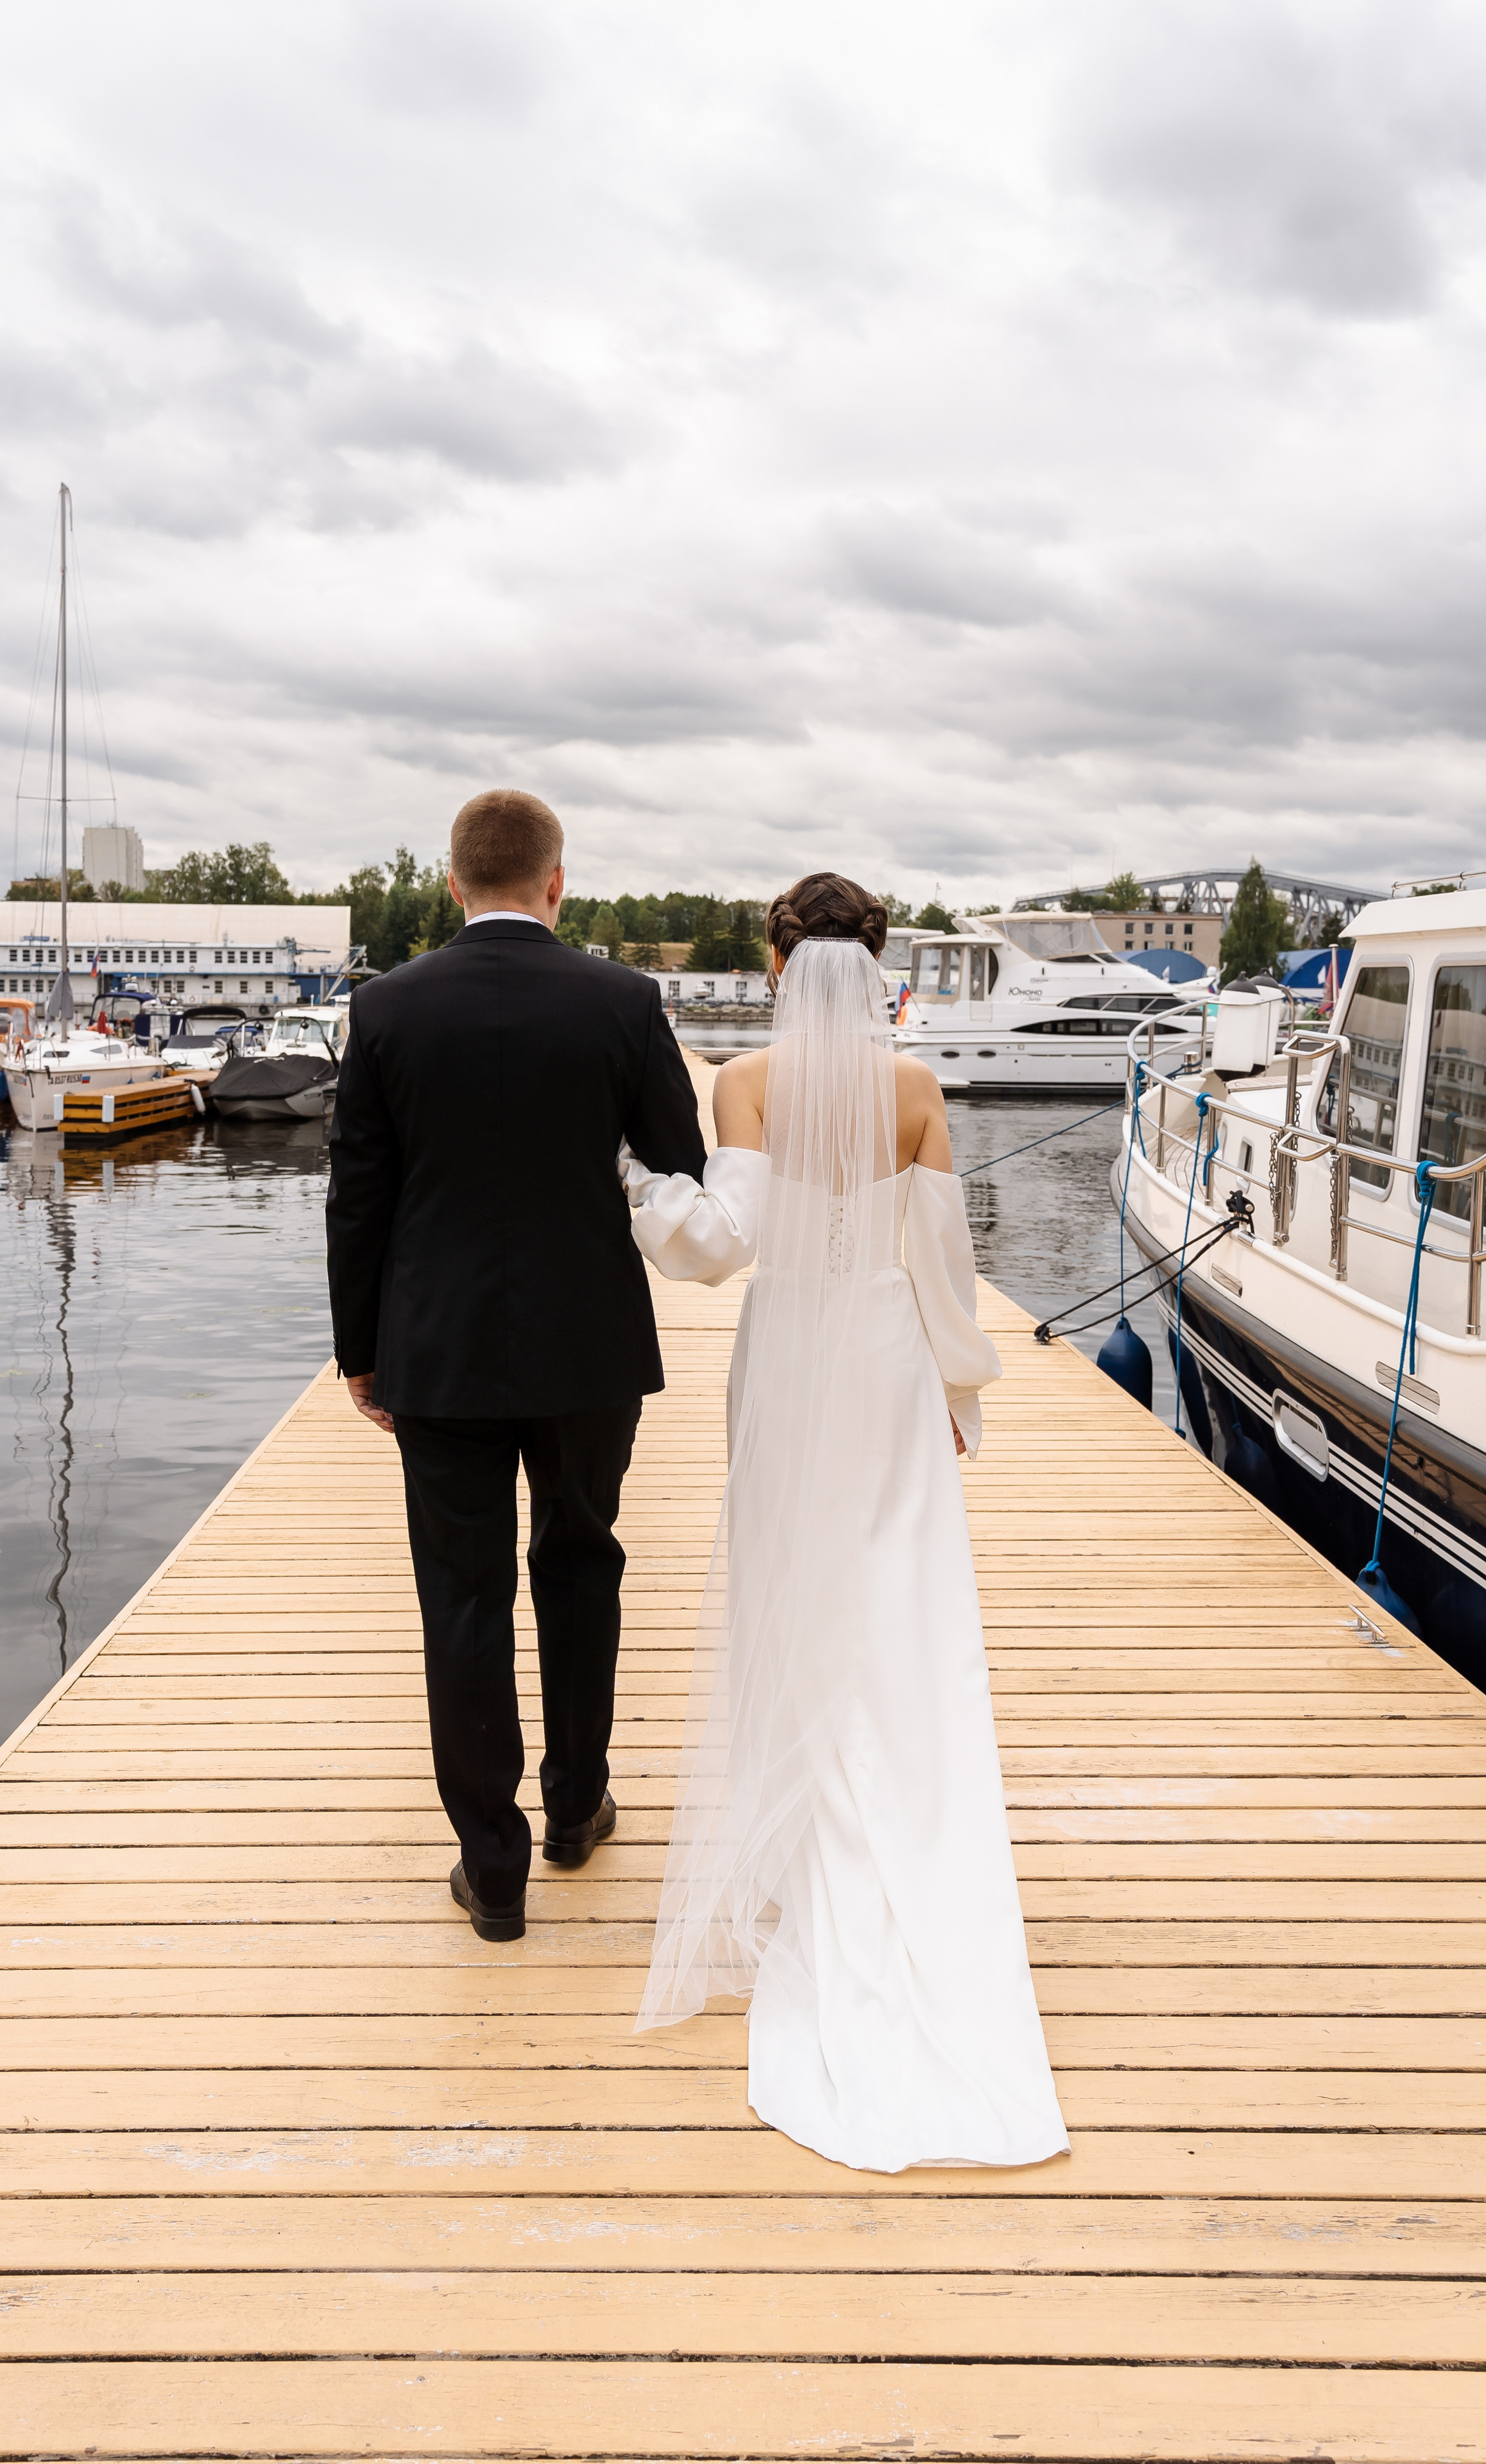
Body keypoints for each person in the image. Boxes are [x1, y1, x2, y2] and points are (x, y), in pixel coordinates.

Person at [622, 871, 1068, 2173]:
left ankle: (800, 1823)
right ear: (877, 964)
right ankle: (903, 1810)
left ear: (777, 962)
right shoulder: (916, 1089)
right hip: (884, 1354)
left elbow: (722, 1246)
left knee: (785, 1578)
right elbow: (942, 1266)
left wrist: (638, 1190)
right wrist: (958, 1390)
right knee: (896, 1595)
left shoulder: (745, 1083)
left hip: (791, 1350)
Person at [325, 788, 706, 1942]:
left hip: (435, 1345)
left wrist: (360, 1352)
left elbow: (358, 1196)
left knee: (463, 1592)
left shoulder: (386, 1006)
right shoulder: (623, 1001)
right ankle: (577, 1809)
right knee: (582, 1564)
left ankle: (493, 1870)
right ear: (557, 883)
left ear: (452, 885)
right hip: (588, 1340)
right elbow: (678, 1159)